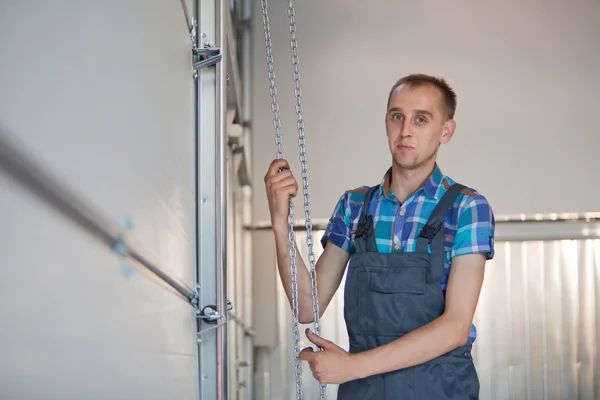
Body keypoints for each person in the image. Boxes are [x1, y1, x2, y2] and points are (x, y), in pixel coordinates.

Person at [264, 73, 495, 399]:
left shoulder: (467, 207)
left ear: (446, 130)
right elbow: (307, 306)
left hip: (440, 389)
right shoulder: (355, 205)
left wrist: (352, 367)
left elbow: (455, 327)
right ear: (386, 122)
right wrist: (279, 221)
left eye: (421, 119)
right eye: (397, 116)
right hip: (365, 392)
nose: (406, 130)